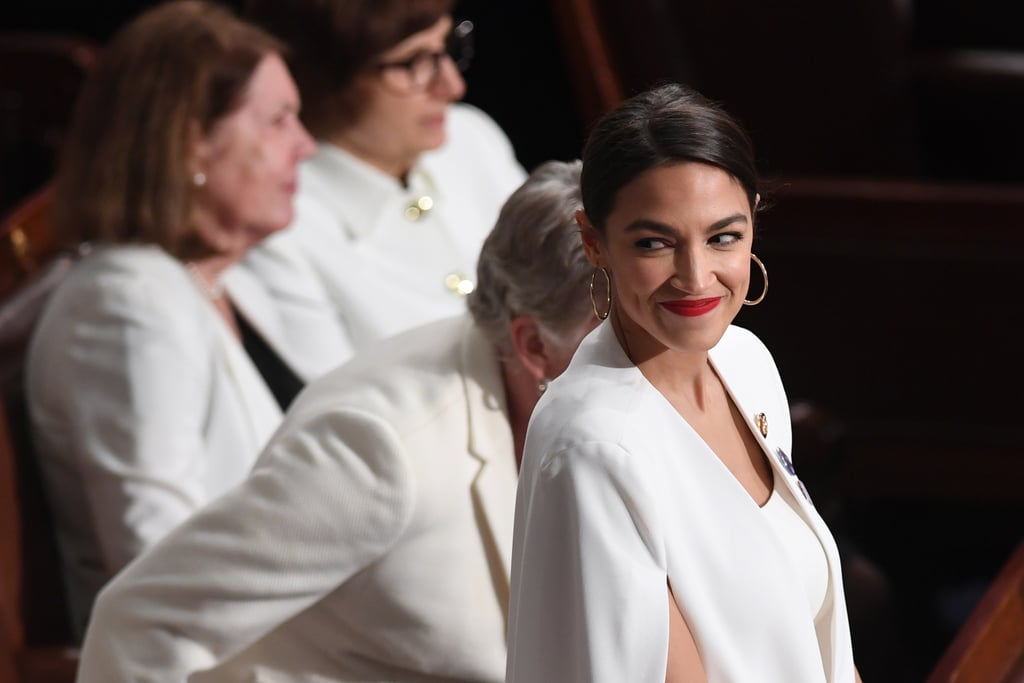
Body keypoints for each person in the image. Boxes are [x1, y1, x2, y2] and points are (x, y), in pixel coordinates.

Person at [74, 160, 594, 682]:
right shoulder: (384, 449)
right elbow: (141, 624)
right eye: (620, 338)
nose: (664, 366)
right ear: (534, 347)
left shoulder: (634, 414)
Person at [506, 84, 863, 683]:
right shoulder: (596, 445)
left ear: (752, 218)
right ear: (594, 241)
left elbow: (816, 637)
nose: (696, 278)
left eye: (723, 236)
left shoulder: (746, 361)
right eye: (655, 243)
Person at [24, 0, 332, 638]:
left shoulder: (227, 278)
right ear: (191, 139)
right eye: (278, 121)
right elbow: (160, 572)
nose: (306, 146)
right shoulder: (124, 305)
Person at [238, 0, 528, 377]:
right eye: (414, 63)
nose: (452, 86)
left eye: (447, 48)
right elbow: (345, 410)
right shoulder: (279, 225)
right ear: (324, 77)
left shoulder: (470, 139)